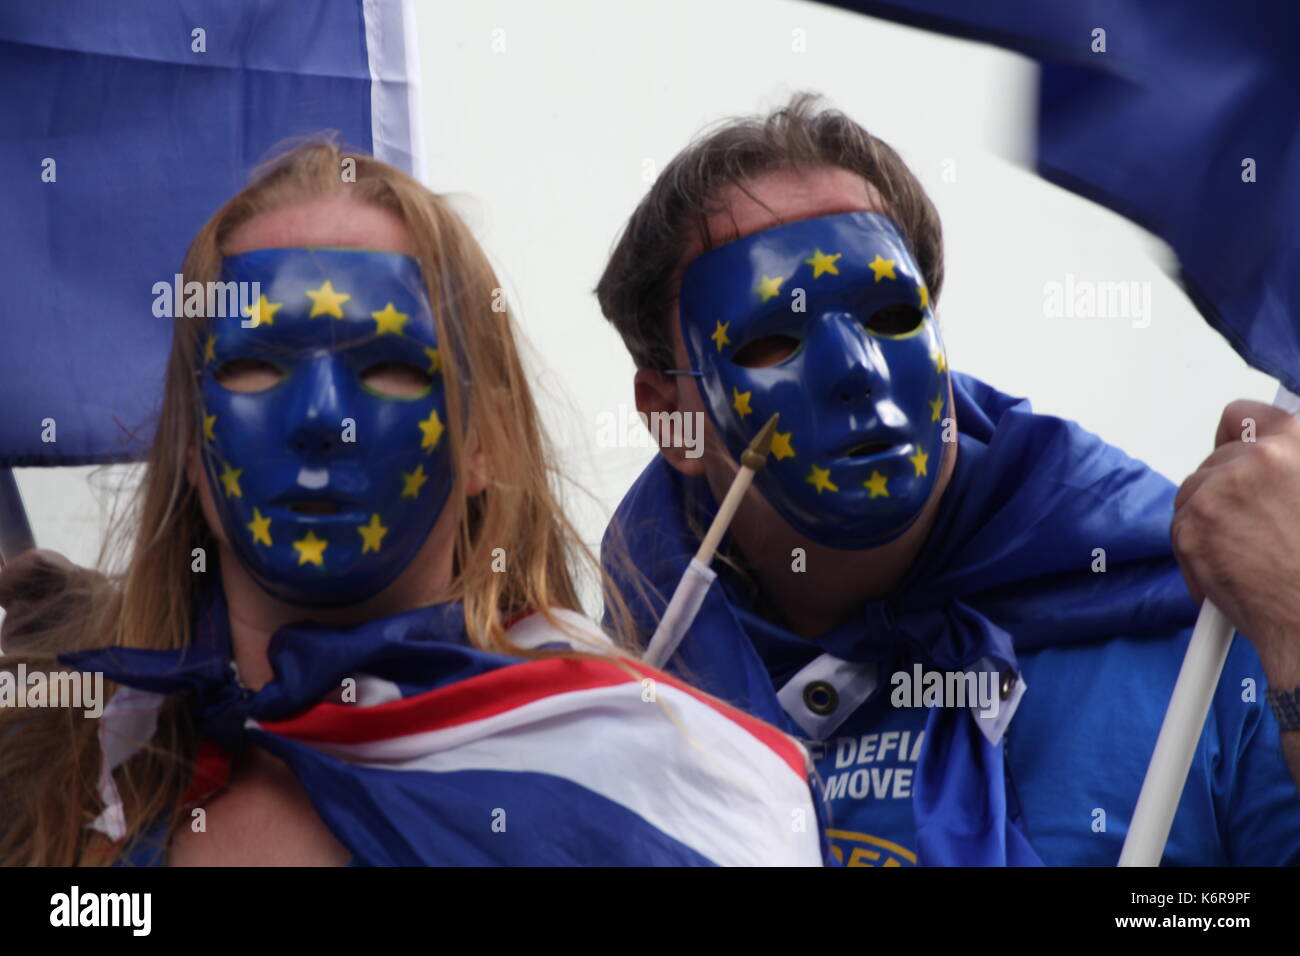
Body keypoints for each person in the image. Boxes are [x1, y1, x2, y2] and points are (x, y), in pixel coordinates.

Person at [0, 140, 828, 867]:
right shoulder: (61, 762)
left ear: (485, 444)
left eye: (388, 367)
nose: (322, 419)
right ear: (190, 442)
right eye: (257, 365)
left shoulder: (673, 793)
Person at [596, 93, 1300, 866]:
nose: (855, 373)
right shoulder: (613, 734)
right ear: (672, 419)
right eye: (772, 338)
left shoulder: (1203, 628)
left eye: (890, 314)